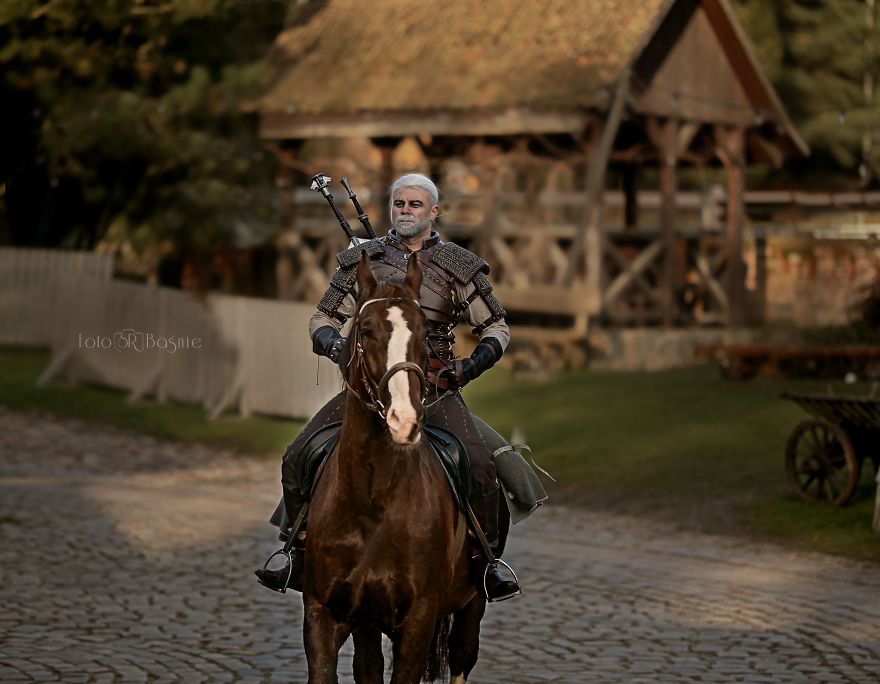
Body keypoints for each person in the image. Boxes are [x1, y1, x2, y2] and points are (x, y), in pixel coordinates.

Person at [256, 173, 521, 601]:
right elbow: (321, 319)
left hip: (434, 387)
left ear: (433, 211)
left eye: (415, 205)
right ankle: (298, 549)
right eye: (399, 204)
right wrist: (341, 348)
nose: (405, 211)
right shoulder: (364, 259)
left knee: (482, 466)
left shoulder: (458, 264)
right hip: (368, 391)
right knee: (298, 454)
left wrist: (465, 368)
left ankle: (486, 564)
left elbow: (496, 327)